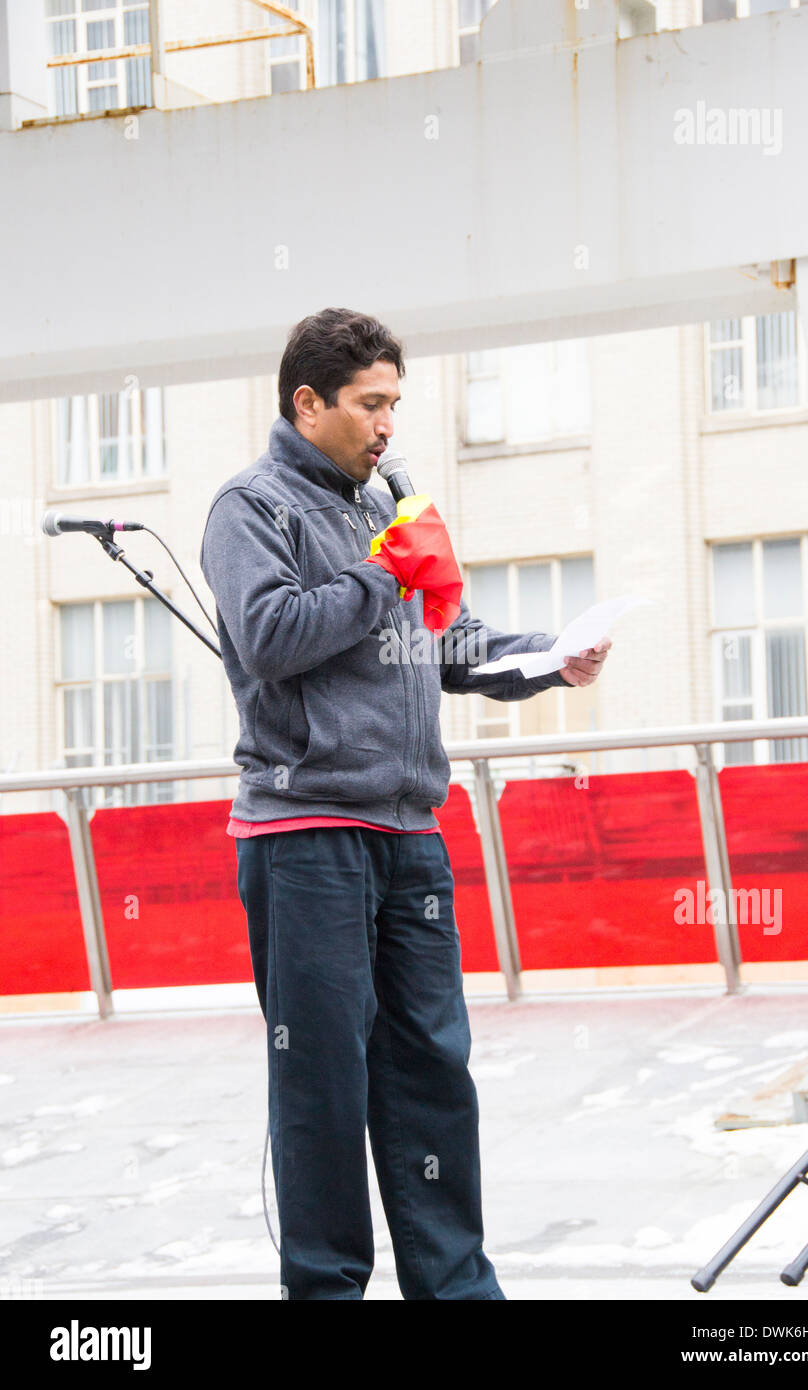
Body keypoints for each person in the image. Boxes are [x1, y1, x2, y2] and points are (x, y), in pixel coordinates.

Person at [199, 307, 610, 1301]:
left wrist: (547, 660)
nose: (388, 424)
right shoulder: (250, 508)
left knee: (431, 1069)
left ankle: (455, 1286)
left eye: (395, 403)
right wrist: (385, 565)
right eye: (369, 403)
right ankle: (329, 1287)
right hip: (306, 837)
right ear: (309, 402)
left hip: (409, 834)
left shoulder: (389, 503)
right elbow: (270, 633)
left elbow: (448, 642)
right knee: (323, 1084)